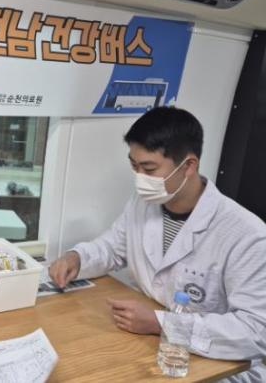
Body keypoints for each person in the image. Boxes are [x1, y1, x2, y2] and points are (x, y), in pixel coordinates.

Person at [49, 107, 266, 382]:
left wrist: (162, 324)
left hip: (216, 367)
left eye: (149, 168)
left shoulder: (247, 235)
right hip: (152, 348)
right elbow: (113, 247)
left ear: (188, 166)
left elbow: (255, 331)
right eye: (134, 166)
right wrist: (76, 258)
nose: (139, 177)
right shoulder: (144, 204)